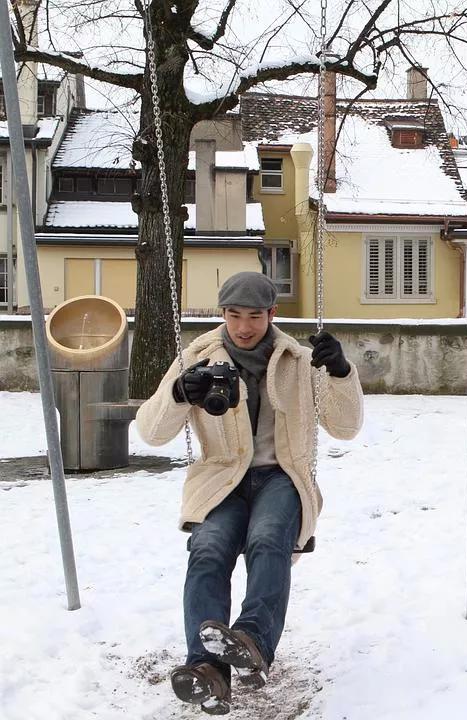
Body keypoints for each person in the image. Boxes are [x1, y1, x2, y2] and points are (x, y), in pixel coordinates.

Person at [135, 271, 363, 714]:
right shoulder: (196, 358)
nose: (243, 327)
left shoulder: (299, 360)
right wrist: (181, 394)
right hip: (222, 478)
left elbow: (346, 427)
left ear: (272, 314)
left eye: (255, 316)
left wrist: (339, 371)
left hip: (281, 475)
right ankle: (206, 670)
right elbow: (151, 432)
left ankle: (252, 642)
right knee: (207, 549)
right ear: (221, 314)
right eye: (233, 315)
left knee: (267, 538)